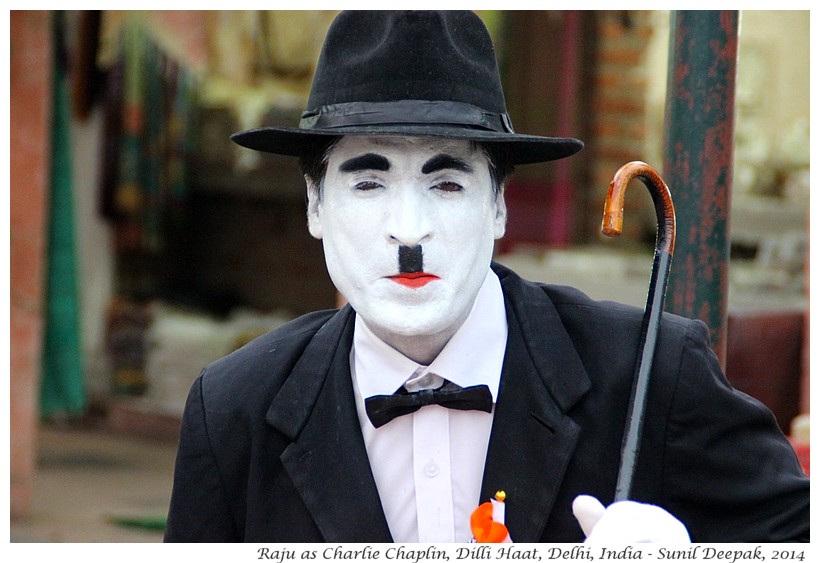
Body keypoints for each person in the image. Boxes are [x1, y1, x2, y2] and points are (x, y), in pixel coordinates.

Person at [164, 11, 809, 543]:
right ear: (314, 206)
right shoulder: (233, 413)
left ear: (498, 204)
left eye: (446, 181)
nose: (409, 230)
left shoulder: (655, 373)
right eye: (367, 181)